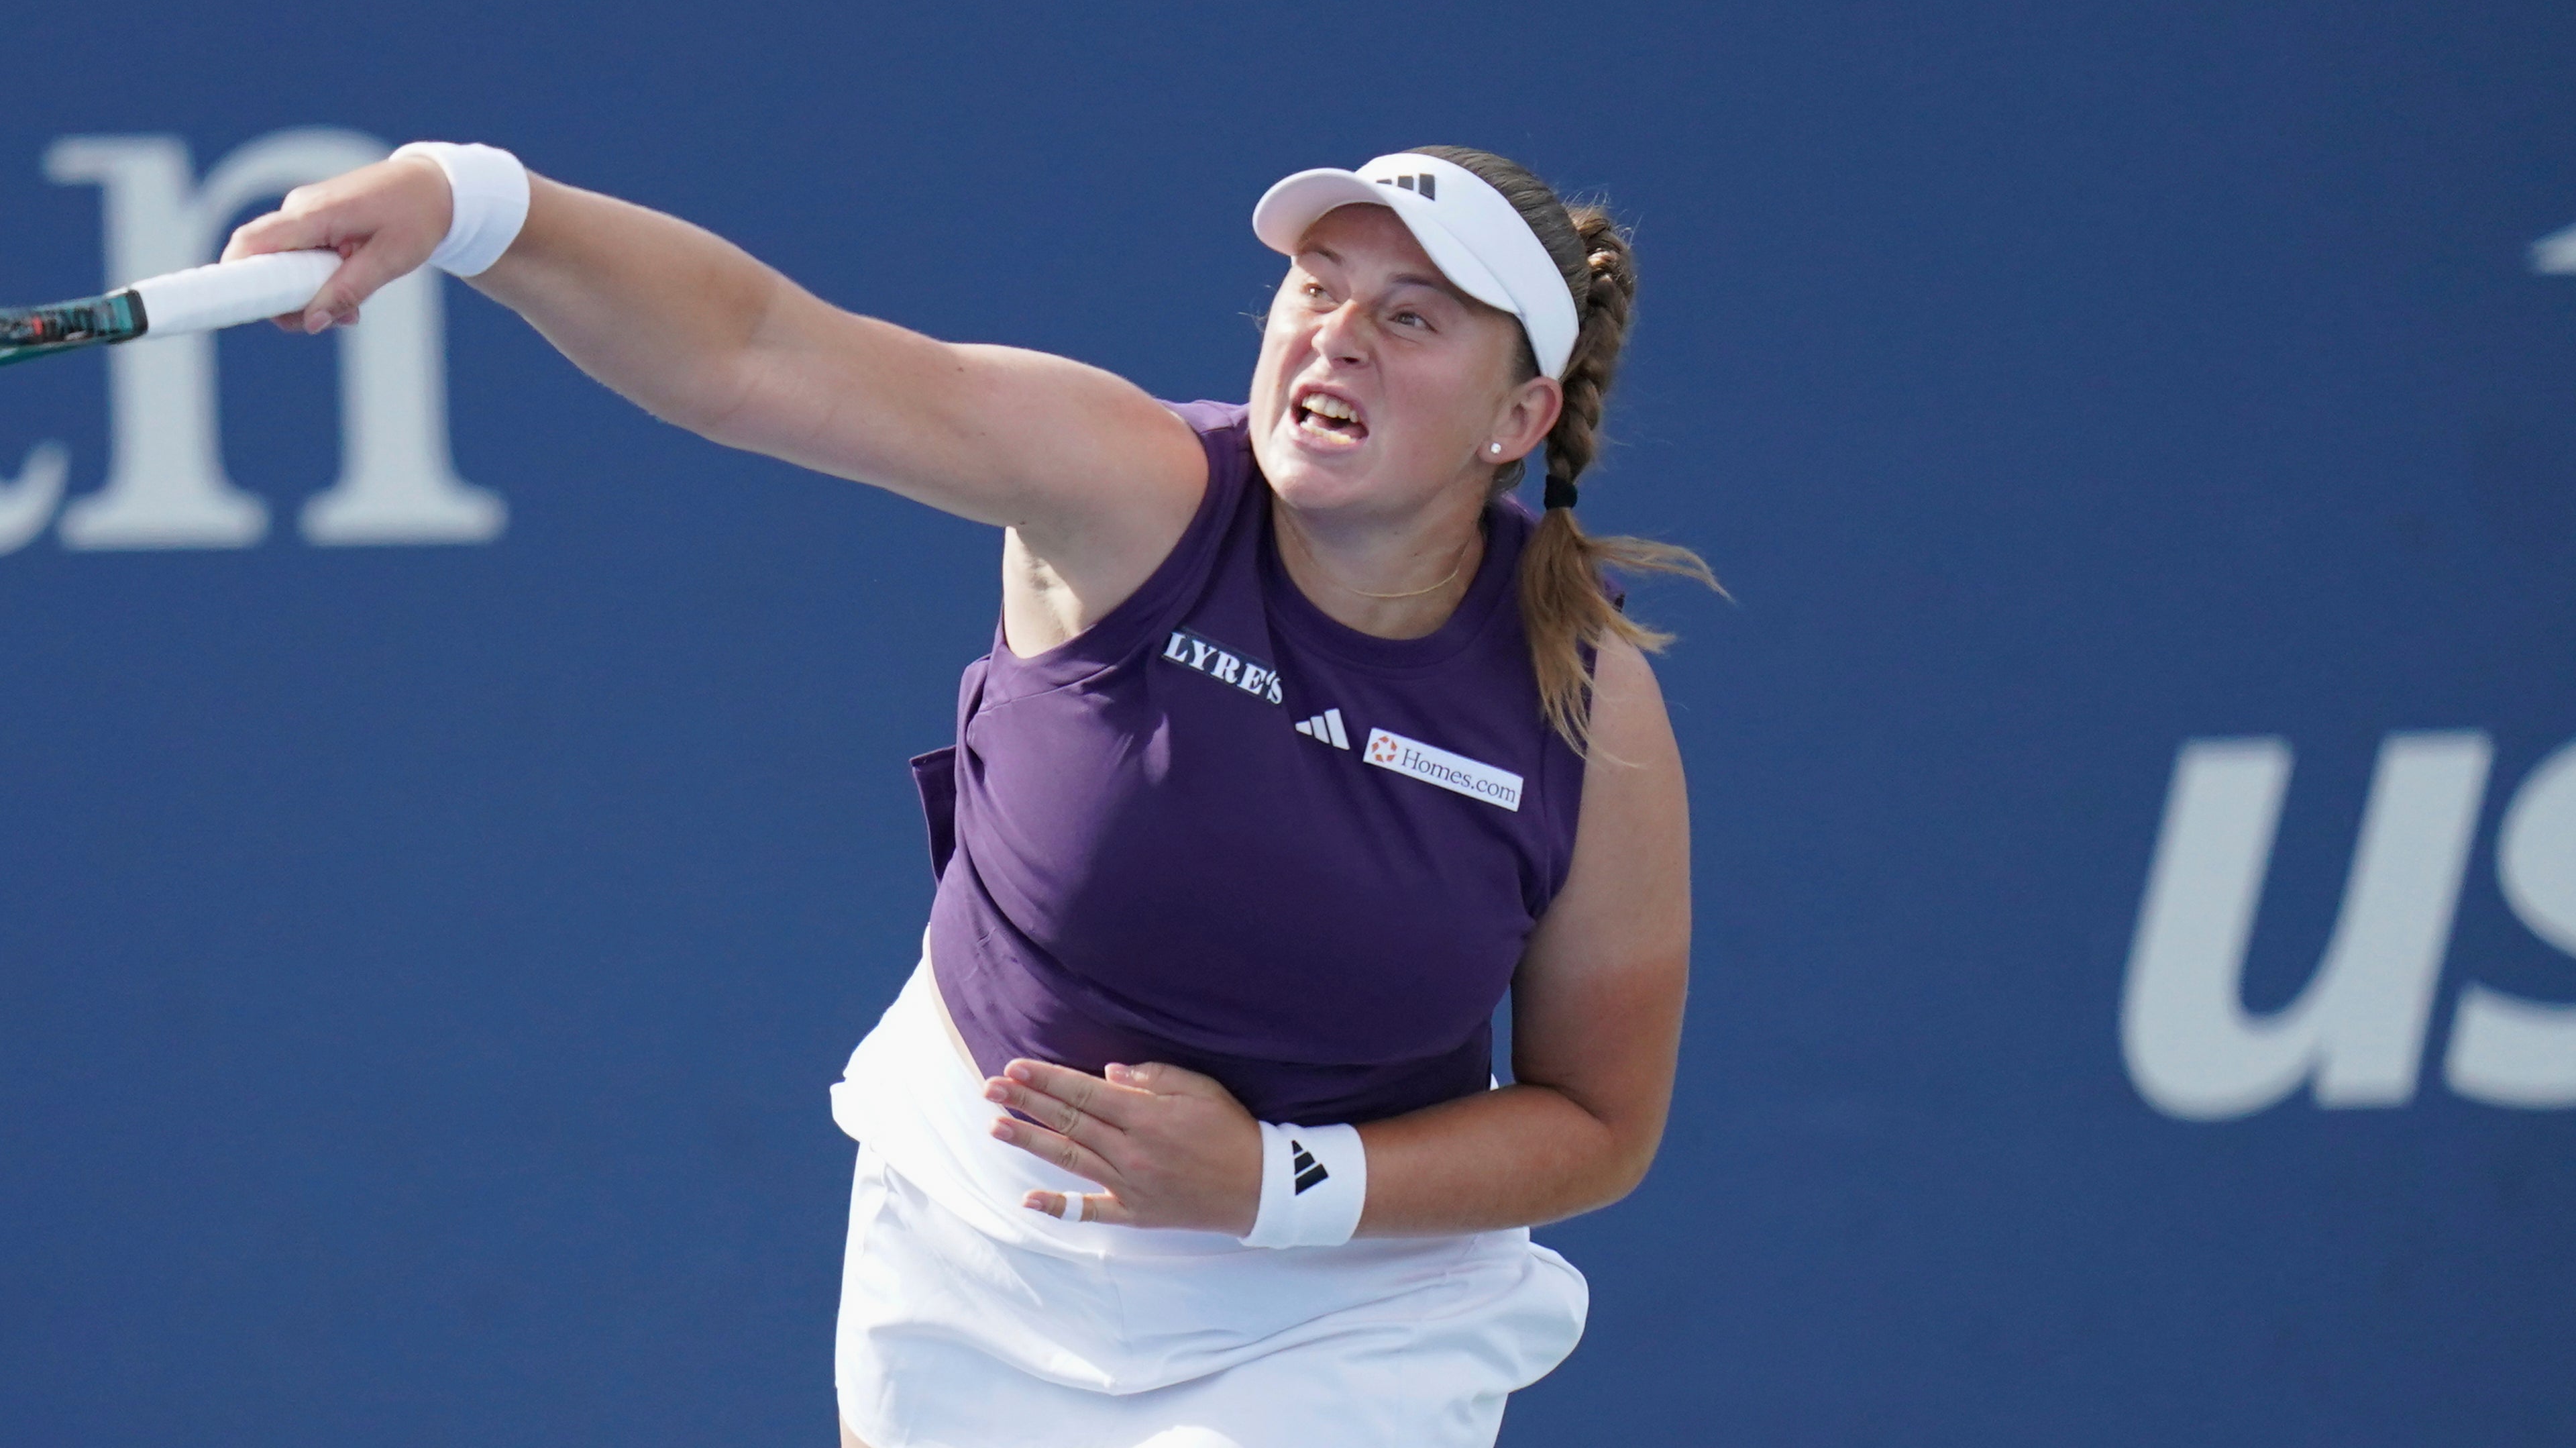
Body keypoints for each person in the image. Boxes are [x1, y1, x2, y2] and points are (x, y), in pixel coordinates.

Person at [228, 139, 1710, 1448]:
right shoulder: (1126, 489)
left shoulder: (1586, 701)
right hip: (979, 1224)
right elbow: (755, 352)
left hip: (1345, 1300)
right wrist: (475, 201)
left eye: (1411, 318)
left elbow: (1598, 1122)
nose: (1337, 339)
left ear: (1515, 421)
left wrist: (1270, 1184)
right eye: (1316, 289)